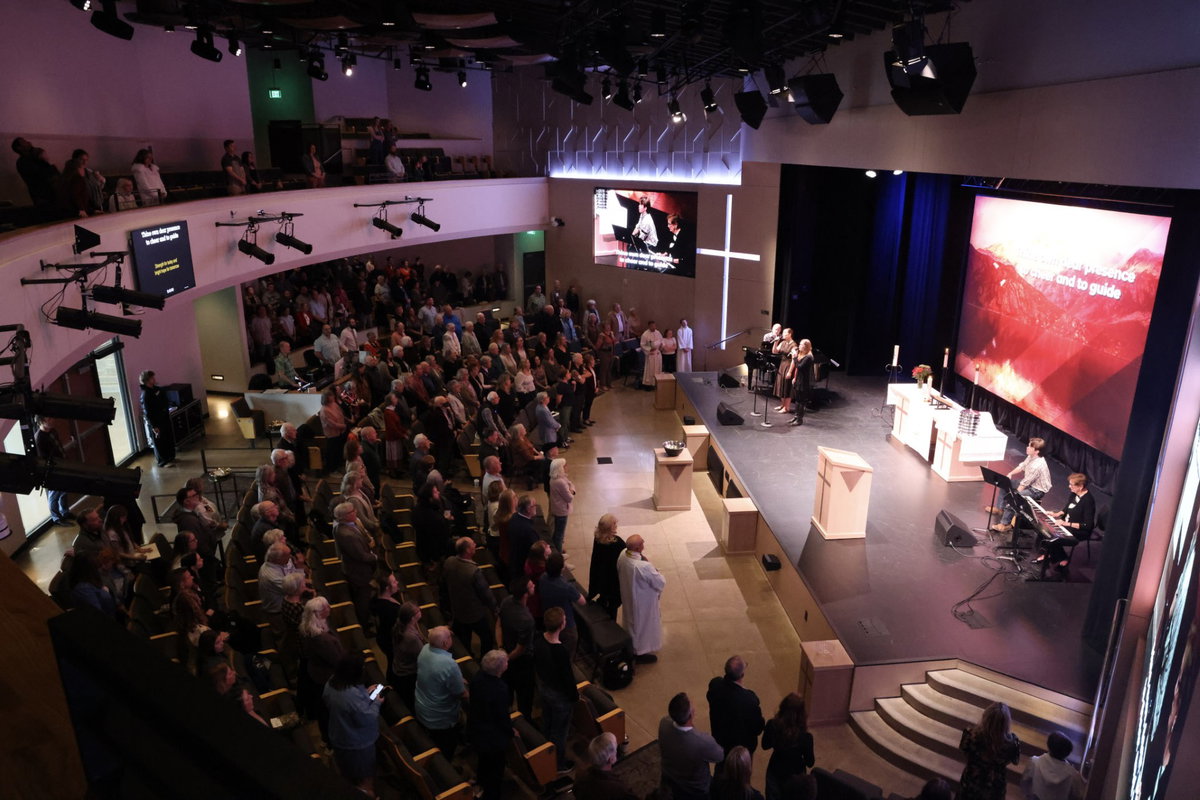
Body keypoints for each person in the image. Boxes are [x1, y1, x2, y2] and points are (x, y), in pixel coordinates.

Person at [323, 653, 383, 798]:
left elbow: (351, 707)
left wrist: (365, 693)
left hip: (339, 737)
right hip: (357, 744)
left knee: (349, 774)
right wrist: (376, 702)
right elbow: (367, 718)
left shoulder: (332, 682)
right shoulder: (349, 696)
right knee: (365, 779)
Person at [533, 606, 579, 773]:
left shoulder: (538, 639)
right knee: (560, 731)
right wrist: (574, 697)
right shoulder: (560, 651)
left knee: (547, 721)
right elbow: (568, 679)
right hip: (559, 696)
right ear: (561, 625)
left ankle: (545, 750)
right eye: (564, 619)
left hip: (544, 687)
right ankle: (558, 764)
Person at [659, 691, 725, 800]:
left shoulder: (664, 723)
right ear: (691, 714)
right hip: (695, 790)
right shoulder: (702, 741)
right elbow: (720, 756)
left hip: (669, 777)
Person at [415, 626, 467, 758]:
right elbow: (461, 693)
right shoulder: (449, 664)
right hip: (440, 718)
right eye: (449, 636)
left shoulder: (425, 648)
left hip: (422, 707)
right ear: (445, 643)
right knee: (447, 747)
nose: (451, 636)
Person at [468, 649, 513, 800]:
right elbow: (502, 717)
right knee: (496, 770)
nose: (507, 663)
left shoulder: (478, 677)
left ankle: (481, 782)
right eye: (506, 662)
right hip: (493, 738)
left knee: (483, 761)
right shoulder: (500, 689)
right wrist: (511, 731)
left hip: (477, 728)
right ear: (500, 668)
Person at [443, 537, 498, 656]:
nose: (475, 544)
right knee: (487, 637)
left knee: (464, 639)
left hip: (457, 609)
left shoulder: (449, 562)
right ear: (468, 550)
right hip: (474, 613)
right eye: (473, 544)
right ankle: (485, 659)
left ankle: (468, 657)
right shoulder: (474, 571)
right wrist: (495, 609)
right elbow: (486, 594)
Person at [1036, 473, 1096, 580]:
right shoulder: (1074, 493)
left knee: (1053, 536)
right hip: (1066, 524)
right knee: (1043, 529)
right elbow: (1066, 509)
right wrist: (1056, 514)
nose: (1069, 486)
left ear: (1080, 486)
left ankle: (1062, 558)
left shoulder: (1088, 502)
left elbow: (1087, 525)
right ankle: (1049, 554)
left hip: (1079, 531)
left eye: (1072, 485)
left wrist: (1066, 524)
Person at [617, 534, 666, 663]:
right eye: (642, 543)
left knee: (631, 622)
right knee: (642, 625)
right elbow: (660, 582)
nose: (644, 544)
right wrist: (652, 567)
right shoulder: (643, 567)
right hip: (643, 602)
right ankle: (639, 651)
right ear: (638, 548)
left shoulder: (623, 555)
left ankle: (631, 646)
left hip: (628, 596)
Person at [959, 701, 1021, 800]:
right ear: (1006, 723)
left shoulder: (970, 735)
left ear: (986, 717)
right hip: (995, 785)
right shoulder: (1012, 743)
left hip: (973, 780)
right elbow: (1015, 761)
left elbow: (964, 751)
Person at [707, 655, 765, 758]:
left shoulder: (715, 684)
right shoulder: (749, 700)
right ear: (742, 675)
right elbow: (757, 728)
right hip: (740, 750)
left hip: (720, 740)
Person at [332, 502, 378, 629]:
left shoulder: (350, 525)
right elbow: (361, 556)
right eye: (353, 511)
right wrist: (375, 557)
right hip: (358, 572)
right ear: (345, 516)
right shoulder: (347, 535)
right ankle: (363, 626)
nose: (356, 512)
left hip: (358, 568)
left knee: (363, 597)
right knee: (362, 599)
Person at [991, 438, 1052, 533]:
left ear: (1037, 451)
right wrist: (1011, 473)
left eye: (1030, 446)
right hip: (1029, 482)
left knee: (1013, 499)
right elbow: (1022, 466)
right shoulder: (1031, 456)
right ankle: (1000, 509)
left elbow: (1024, 483)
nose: (1027, 447)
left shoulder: (1037, 465)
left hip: (1036, 490)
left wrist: (1014, 495)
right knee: (1004, 484)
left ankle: (1005, 524)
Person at [761, 693, 814, 800]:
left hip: (775, 770)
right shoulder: (806, 737)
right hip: (796, 777)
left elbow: (765, 745)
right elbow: (810, 762)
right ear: (802, 714)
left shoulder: (772, 725)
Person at [499, 575, 536, 718]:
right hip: (521, 661)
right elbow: (521, 649)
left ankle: (508, 712)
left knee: (508, 687)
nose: (534, 585)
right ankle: (524, 719)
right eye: (531, 585)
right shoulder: (526, 620)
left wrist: (501, 648)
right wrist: (507, 658)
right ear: (525, 594)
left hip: (506, 651)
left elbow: (498, 625)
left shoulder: (506, 601)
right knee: (525, 694)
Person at [1021, 731, 1085, 800]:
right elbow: (1078, 795)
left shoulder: (1035, 762)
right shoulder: (1073, 775)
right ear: (1068, 753)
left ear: (1048, 745)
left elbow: (1025, 781)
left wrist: (1028, 795)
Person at [574, 732, 638, 800]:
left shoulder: (580, 775)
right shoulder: (617, 788)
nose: (616, 751)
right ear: (611, 759)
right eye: (616, 749)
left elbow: (575, 790)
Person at [587, 513, 625, 619]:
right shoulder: (617, 543)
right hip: (612, 580)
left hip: (601, 576)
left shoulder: (597, 538)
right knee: (612, 608)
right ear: (610, 528)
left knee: (604, 598)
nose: (616, 525)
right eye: (614, 524)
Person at [34, 416, 71, 524]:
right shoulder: (39, 437)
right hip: (52, 470)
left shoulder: (53, 431)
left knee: (63, 491)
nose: (52, 420)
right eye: (48, 419)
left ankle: (65, 513)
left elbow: (59, 446)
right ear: (41, 421)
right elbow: (42, 458)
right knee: (54, 494)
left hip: (62, 464)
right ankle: (57, 518)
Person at [391, 601, 425, 709]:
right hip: (408, 675)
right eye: (417, 611)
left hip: (400, 669)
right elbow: (422, 657)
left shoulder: (401, 625)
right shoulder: (410, 637)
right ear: (412, 618)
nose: (420, 610)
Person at [139, 370, 175, 467]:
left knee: (167, 438)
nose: (154, 379)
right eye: (152, 378)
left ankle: (170, 457)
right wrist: (154, 426)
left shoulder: (157, 389)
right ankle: (162, 461)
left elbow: (164, 400)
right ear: (147, 380)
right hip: (156, 421)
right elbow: (148, 412)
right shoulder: (145, 395)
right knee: (159, 442)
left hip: (164, 418)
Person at [547, 458, 575, 554]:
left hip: (557, 508)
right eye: (565, 466)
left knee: (558, 532)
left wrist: (570, 488)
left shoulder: (555, 478)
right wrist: (572, 491)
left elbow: (570, 484)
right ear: (560, 468)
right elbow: (569, 498)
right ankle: (558, 554)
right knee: (559, 534)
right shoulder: (560, 482)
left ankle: (557, 548)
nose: (567, 467)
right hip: (561, 511)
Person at [788, 339, 814, 426]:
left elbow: (800, 367)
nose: (799, 346)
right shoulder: (803, 355)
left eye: (801, 344)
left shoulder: (809, 357)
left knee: (801, 401)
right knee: (797, 400)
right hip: (798, 380)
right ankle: (796, 417)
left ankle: (799, 420)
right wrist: (795, 378)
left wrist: (794, 357)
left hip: (803, 382)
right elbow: (798, 369)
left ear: (806, 346)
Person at [640, 320, 663, 389]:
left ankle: (657, 383)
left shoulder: (658, 332)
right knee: (650, 370)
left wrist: (661, 345)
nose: (653, 327)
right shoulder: (645, 334)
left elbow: (661, 340)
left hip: (657, 353)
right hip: (651, 354)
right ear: (649, 326)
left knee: (658, 369)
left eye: (654, 326)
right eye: (652, 326)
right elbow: (642, 345)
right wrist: (650, 349)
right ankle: (649, 384)